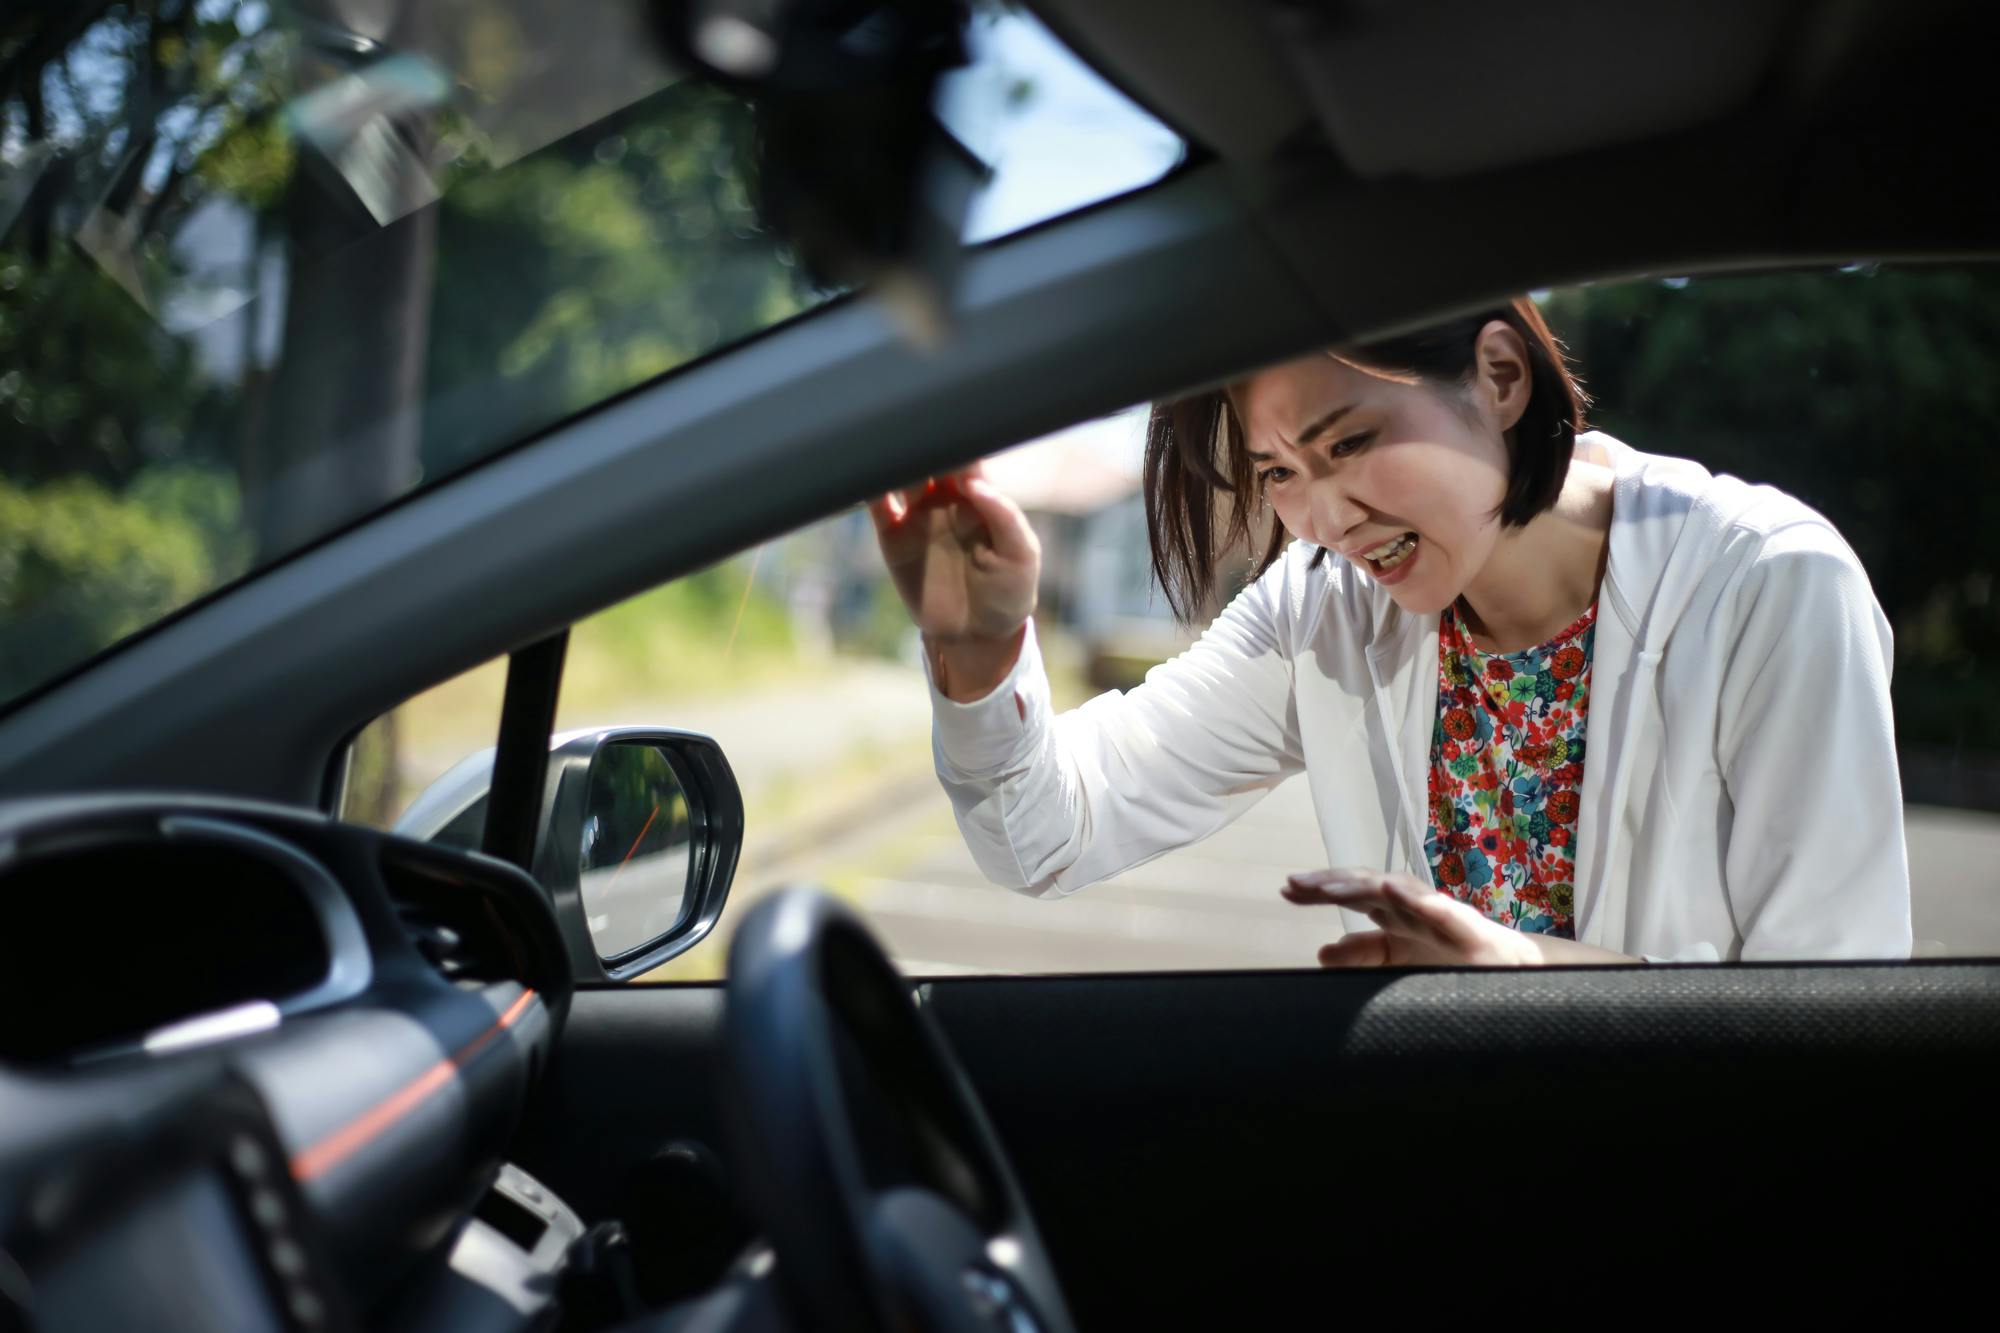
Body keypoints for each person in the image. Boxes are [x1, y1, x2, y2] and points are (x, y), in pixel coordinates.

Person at [868, 299, 1912, 965]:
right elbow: (1050, 832)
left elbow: (1827, 1023)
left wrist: (1525, 980)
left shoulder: (1768, 586)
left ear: (1499, 378)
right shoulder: (1322, 606)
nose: (1322, 519)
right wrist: (979, 650)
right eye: (1279, 473)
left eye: (1351, 440)